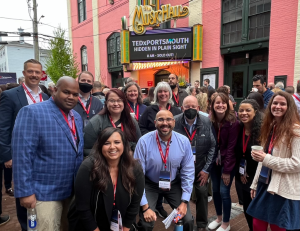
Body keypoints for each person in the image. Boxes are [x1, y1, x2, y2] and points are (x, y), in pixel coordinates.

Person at [12, 76, 84, 230]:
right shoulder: (32, 112)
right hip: (43, 193)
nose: (71, 97)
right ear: (54, 90)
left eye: (75, 94)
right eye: (66, 92)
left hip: (71, 191)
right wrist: (25, 192)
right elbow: (22, 156)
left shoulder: (76, 117)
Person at [0, 59, 49, 230]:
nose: (34, 75)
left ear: (42, 75)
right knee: (24, 194)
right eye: (31, 71)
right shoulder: (10, 95)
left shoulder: (46, 97)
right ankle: (25, 226)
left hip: (43, 156)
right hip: (21, 155)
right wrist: (7, 155)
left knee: (41, 196)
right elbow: (3, 128)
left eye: (38, 72)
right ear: (24, 73)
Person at [68, 127, 144, 231]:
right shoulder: (88, 167)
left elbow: (135, 204)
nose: (112, 147)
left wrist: (126, 228)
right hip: (90, 225)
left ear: (124, 145)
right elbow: (82, 207)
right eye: (107, 143)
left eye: (117, 142)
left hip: (120, 224)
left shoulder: (135, 168)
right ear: (100, 146)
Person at [247, 91, 300, 231]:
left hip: (282, 187)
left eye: (283, 104)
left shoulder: (296, 131)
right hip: (265, 183)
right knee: (257, 224)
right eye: (275, 103)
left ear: (290, 108)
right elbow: (263, 158)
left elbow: (297, 163)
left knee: (278, 227)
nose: (278, 106)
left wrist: (266, 159)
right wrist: (255, 183)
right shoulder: (271, 127)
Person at [134, 110, 195, 231]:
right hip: (149, 184)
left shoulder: (184, 142)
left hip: (173, 183)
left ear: (174, 122)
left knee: (187, 220)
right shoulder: (144, 141)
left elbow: (188, 172)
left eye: (168, 120)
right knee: (147, 223)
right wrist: (145, 207)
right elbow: (137, 175)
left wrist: (184, 202)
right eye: (161, 120)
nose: (165, 123)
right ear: (155, 122)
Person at [174, 96, 216, 231]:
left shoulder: (207, 122)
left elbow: (213, 147)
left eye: (193, 107)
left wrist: (206, 170)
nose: (190, 109)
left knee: (202, 194)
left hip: (200, 169)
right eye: (187, 106)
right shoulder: (174, 122)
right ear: (182, 108)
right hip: (180, 169)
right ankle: (181, 221)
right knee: (179, 196)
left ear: (198, 108)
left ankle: (202, 225)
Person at [208, 93, 240, 231]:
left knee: (224, 192)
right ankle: (219, 218)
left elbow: (232, 149)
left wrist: (227, 171)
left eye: (223, 103)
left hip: (228, 162)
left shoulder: (234, 123)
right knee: (215, 191)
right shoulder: (211, 121)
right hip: (215, 162)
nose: (220, 105)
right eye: (217, 103)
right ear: (212, 105)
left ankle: (226, 223)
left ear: (228, 105)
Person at [83, 88, 141, 157]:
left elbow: (139, 145)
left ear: (124, 103)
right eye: (112, 101)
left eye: (119, 100)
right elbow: (87, 149)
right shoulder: (95, 122)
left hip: (127, 164)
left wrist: (131, 152)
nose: (116, 104)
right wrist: (107, 155)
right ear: (106, 102)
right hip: (104, 165)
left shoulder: (132, 122)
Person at [235, 99, 263, 231]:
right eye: (241, 110)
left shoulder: (263, 131)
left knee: (258, 210)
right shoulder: (238, 128)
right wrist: (240, 173)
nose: (244, 113)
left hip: (258, 177)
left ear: (255, 112)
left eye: (248, 110)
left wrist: (256, 180)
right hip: (242, 176)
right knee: (247, 207)